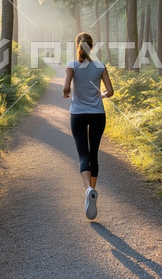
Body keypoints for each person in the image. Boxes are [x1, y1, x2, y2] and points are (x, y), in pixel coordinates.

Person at [63, 32, 114, 219]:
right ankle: (93, 193)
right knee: (94, 154)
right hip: (98, 115)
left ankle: (88, 190)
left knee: (83, 154)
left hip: (78, 114)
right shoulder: (100, 66)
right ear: (91, 47)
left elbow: (65, 89)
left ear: (77, 45)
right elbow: (110, 92)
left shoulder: (72, 66)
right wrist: (100, 95)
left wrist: (67, 93)